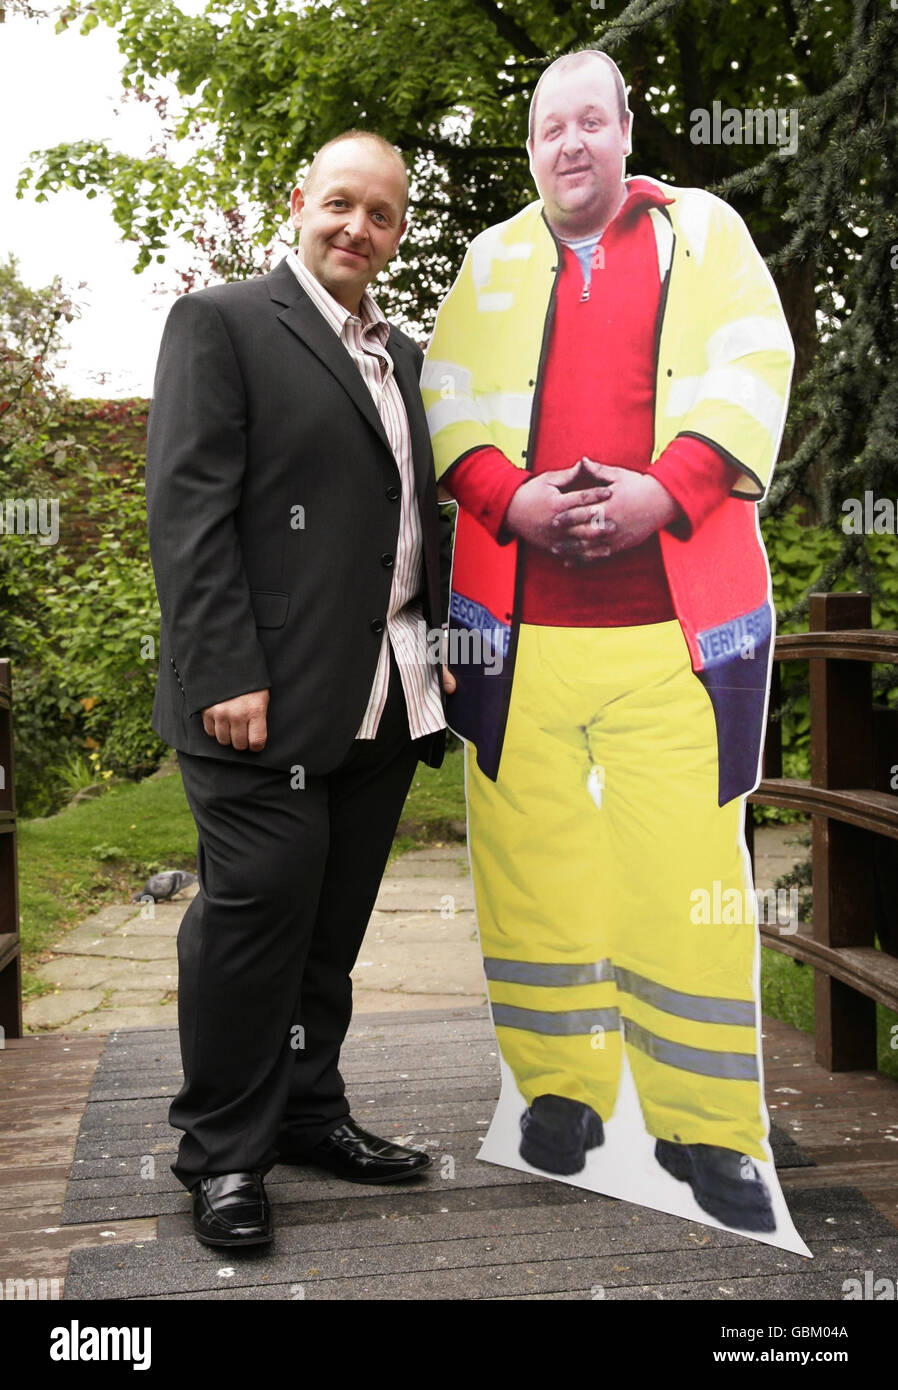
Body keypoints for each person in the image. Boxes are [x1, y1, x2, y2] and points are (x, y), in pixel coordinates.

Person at [421, 50, 795, 1234]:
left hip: (673, 628)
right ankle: (560, 1098)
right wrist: (510, 497)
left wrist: (663, 491)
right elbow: (450, 397)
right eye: (548, 128)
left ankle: (706, 1130)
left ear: (626, 131)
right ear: (531, 148)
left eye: (591, 120)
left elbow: (753, 372)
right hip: (516, 630)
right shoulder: (487, 262)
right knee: (529, 874)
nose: (569, 144)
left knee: (684, 879)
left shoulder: (707, 234)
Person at [146, 130, 453, 1248]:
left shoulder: (407, 357)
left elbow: (410, 518)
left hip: (384, 692)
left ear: (397, 231)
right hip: (257, 698)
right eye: (340, 204)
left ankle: (308, 1110)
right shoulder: (223, 323)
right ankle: (222, 1153)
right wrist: (225, 665)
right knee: (253, 917)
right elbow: (188, 513)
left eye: (380, 215)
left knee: (329, 926)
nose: (355, 228)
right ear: (299, 203)